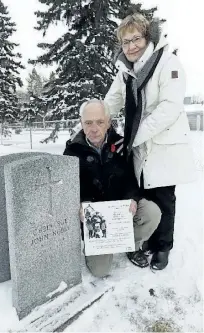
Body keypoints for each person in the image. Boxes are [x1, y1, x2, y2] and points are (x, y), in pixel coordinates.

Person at [105, 13, 196, 270]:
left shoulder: (168, 63)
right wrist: (92, 122)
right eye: (125, 42)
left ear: (148, 38)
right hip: (139, 147)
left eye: (136, 39)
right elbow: (110, 101)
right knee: (146, 197)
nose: (131, 46)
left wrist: (133, 137)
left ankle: (163, 247)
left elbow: (169, 109)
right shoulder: (126, 71)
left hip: (163, 145)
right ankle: (149, 240)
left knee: (164, 199)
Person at [63, 99, 161, 277]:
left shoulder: (121, 145)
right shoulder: (72, 151)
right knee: (100, 271)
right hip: (94, 217)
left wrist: (132, 198)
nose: (94, 128)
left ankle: (132, 245)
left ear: (108, 122)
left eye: (100, 122)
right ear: (81, 123)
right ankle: (99, 247)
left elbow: (131, 178)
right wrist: (80, 205)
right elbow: (69, 189)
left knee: (152, 212)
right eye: (88, 123)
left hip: (119, 212)